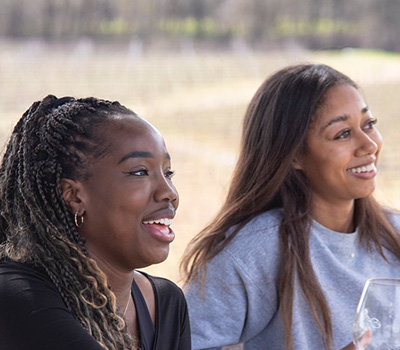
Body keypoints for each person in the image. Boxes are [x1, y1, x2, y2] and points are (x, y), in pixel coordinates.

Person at [181, 63, 400, 350]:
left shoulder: (394, 234)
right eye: (342, 134)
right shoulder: (252, 252)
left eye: (368, 124)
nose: (369, 144)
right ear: (294, 155)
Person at [0, 95, 191, 349]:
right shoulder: (18, 296)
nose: (169, 192)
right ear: (74, 195)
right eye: (139, 172)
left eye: (167, 173)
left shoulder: (167, 304)